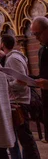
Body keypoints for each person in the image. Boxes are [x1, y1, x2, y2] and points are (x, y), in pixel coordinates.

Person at [1, 34, 46, 159]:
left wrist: (6, 85)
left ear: (2, 44)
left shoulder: (13, 59)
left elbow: (21, 82)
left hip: (20, 102)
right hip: (19, 101)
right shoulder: (15, 57)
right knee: (25, 140)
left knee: (27, 141)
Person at [31, 16, 48, 144]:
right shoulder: (42, 50)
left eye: (38, 34)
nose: (36, 38)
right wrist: (28, 80)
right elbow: (43, 76)